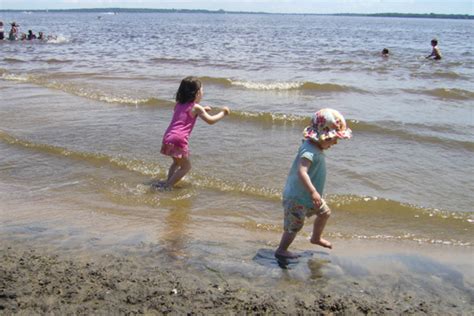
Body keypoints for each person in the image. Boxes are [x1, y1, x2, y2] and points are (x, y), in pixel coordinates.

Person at [275, 108, 352, 259]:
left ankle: (315, 238)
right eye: (333, 138)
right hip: (297, 196)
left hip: (308, 196)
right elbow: (301, 172)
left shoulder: (315, 147)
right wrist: (313, 192)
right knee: (294, 226)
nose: (335, 142)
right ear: (321, 136)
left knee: (325, 213)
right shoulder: (309, 150)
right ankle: (281, 250)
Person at [156, 76, 230, 189]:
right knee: (186, 167)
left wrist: (203, 110)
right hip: (179, 139)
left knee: (176, 163)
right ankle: (168, 186)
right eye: (202, 90)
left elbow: (186, 114)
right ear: (196, 93)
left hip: (168, 137)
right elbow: (210, 121)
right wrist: (223, 113)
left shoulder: (178, 104)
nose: (203, 93)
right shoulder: (196, 108)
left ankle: (168, 182)